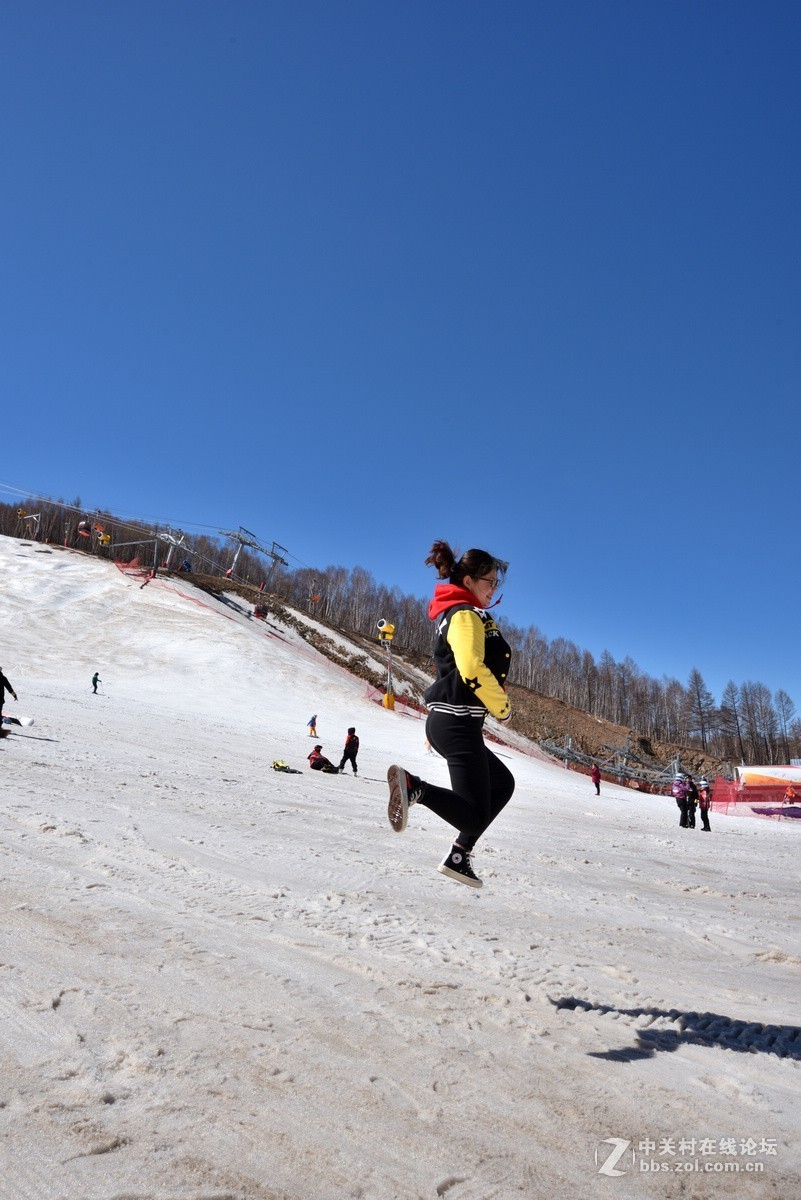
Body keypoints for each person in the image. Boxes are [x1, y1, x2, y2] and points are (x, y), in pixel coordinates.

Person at [386, 541, 514, 889]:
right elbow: (471, 666)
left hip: (457, 722)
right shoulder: (463, 614)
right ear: (470, 580)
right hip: (455, 721)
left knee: (503, 784)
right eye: (490, 581)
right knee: (473, 816)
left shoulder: (468, 614)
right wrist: (501, 707)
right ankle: (415, 788)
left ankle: (459, 855)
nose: (493, 589)